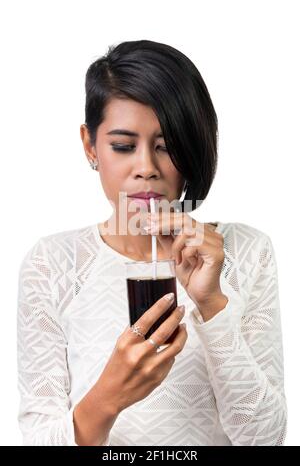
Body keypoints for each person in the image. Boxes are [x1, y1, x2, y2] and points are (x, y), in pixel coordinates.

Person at [17, 39, 287, 446]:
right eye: (123, 146)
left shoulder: (246, 251)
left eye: (166, 146)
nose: (146, 168)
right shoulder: (52, 264)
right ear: (90, 145)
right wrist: (108, 396)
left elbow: (265, 439)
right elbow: (39, 437)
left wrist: (213, 304)